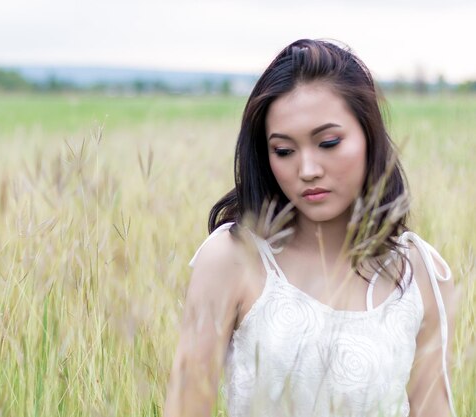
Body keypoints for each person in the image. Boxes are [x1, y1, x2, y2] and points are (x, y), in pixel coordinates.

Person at [163, 39, 457, 417]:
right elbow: (186, 408)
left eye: (328, 142)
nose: (307, 170)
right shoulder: (233, 258)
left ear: (369, 136)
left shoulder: (420, 273)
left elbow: (433, 409)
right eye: (284, 151)